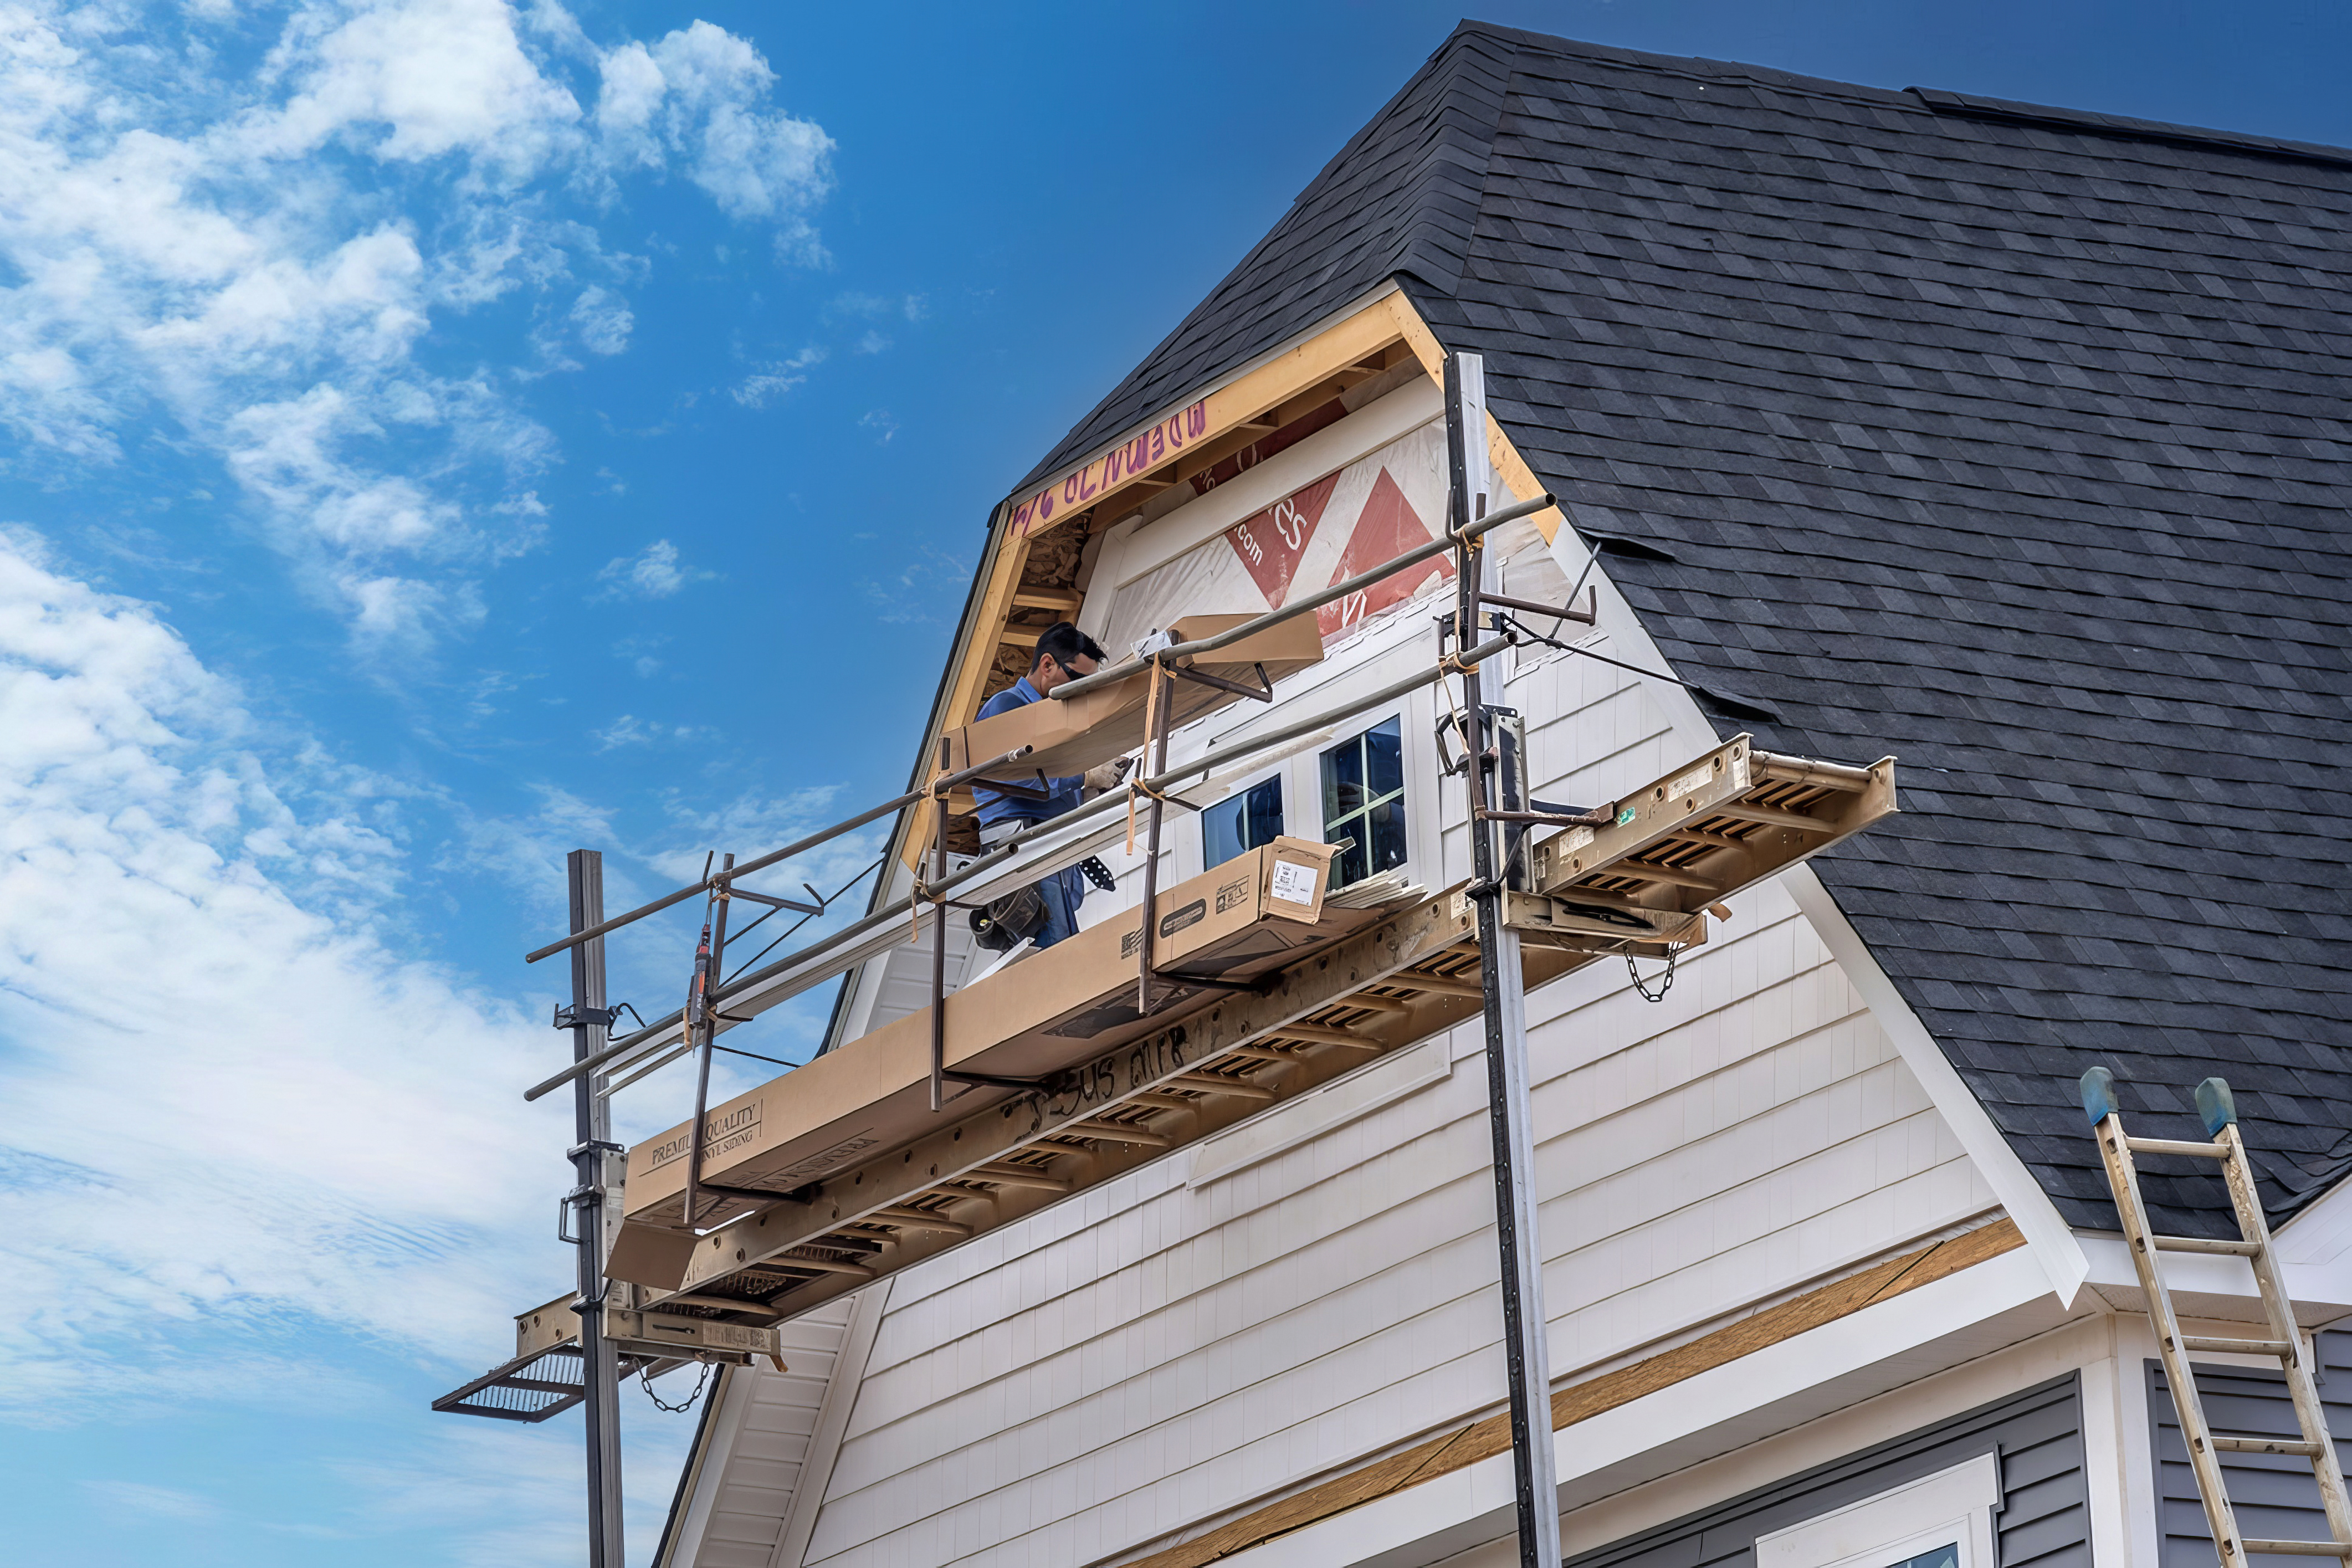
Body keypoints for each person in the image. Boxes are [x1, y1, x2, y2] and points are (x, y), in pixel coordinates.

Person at [972, 622, 1121, 951]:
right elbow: (1017, 778)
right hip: (1022, 844)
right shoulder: (1006, 707)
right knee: (1053, 953)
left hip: (1046, 842)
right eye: (1080, 680)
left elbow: (1048, 783)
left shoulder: (1049, 716)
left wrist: (1086, 790)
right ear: (1048, 665)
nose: (1084, 690)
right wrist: (1084, 776)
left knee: (1060, 948)